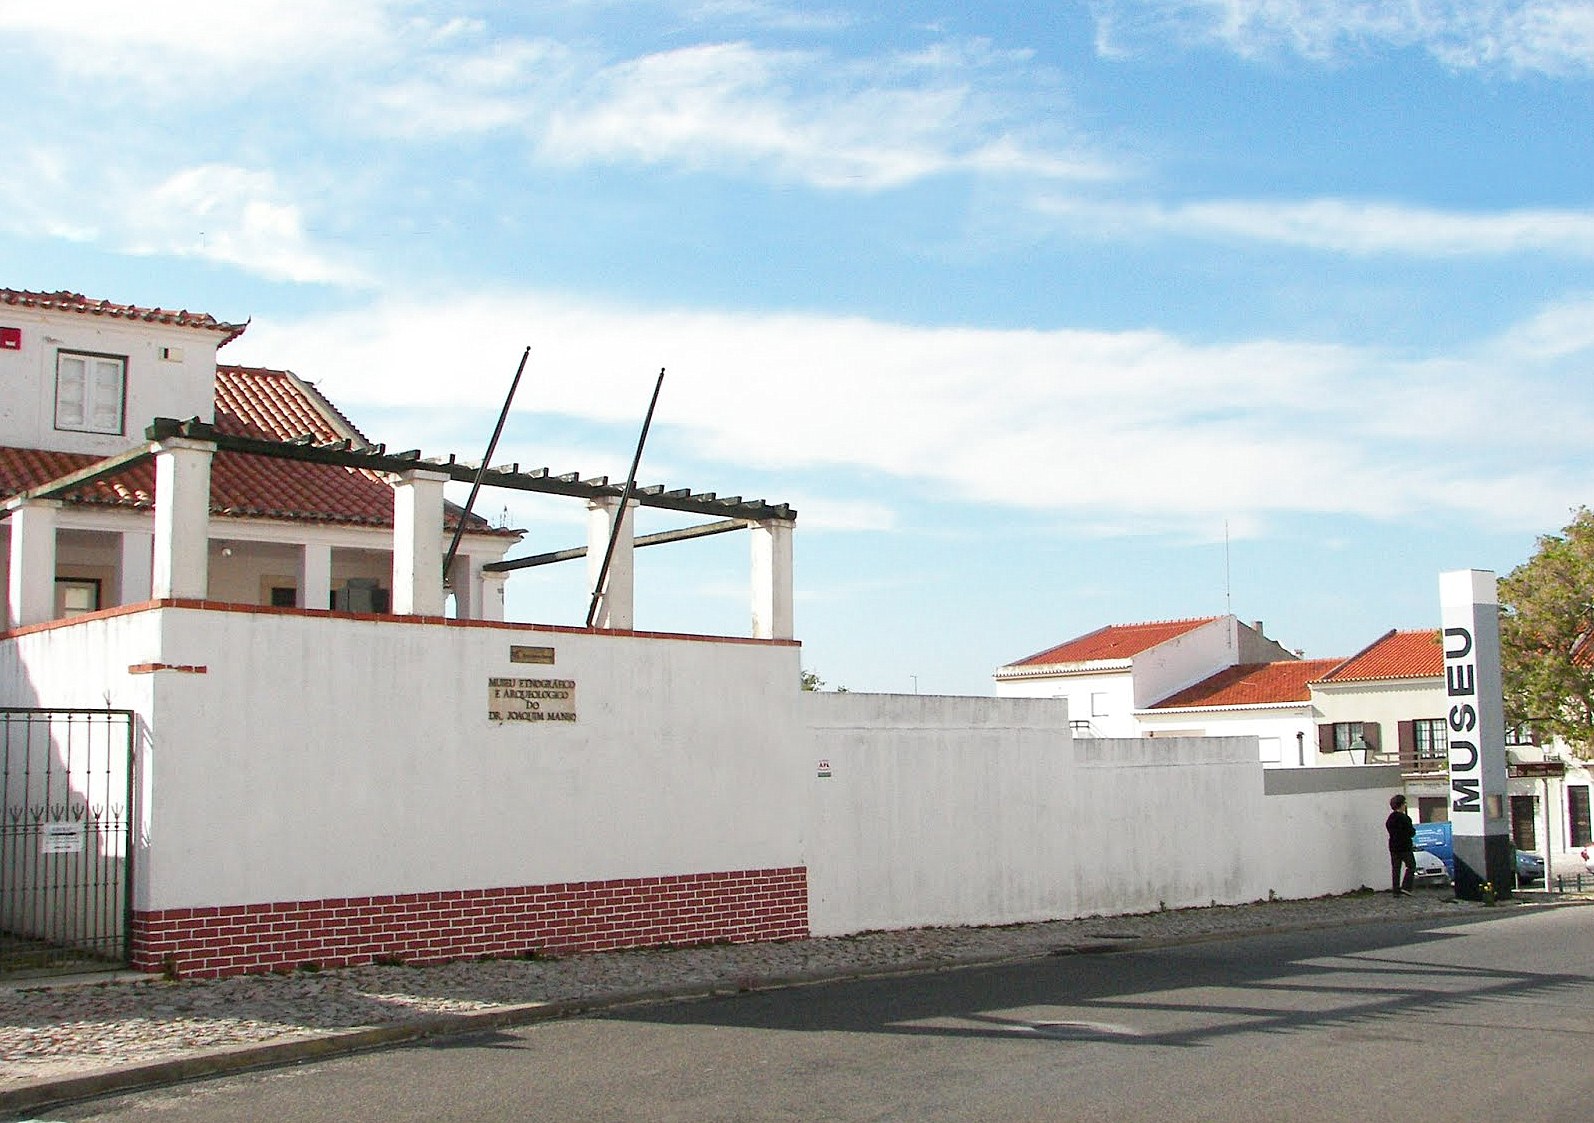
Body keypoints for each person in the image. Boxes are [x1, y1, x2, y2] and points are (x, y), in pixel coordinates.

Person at [1386, 793, 1417, 896]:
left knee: (1396, 869)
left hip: (1393, 846)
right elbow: (1411, 832)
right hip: (1405, 847)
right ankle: (1406, 887)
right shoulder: (1405, 818)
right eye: (1404, 803)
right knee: (1411, 865)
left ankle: (1396, 891)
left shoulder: (1390, 818)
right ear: (1401, 805)